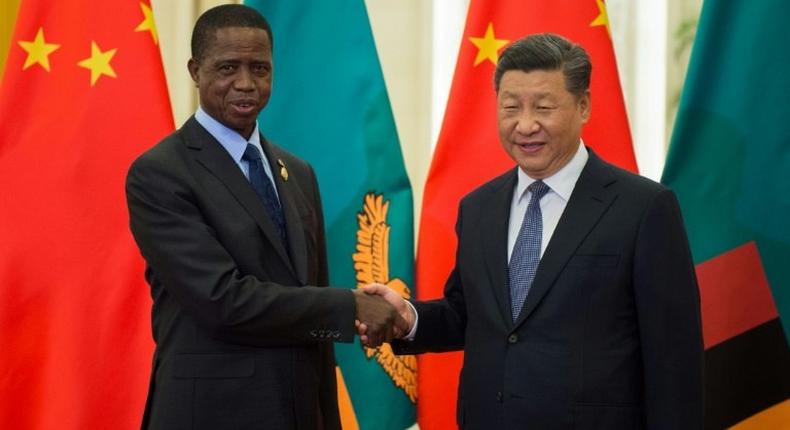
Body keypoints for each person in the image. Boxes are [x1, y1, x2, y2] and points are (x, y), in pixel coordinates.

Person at [364, 33, 703, 429]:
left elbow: (674, 360)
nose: (525, 125)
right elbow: (471, 315)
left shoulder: (643, 208)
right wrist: (409, 317)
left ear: (584, 106)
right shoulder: (478, 208)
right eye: (510, 107)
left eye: (543, 107)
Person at [125, 5, 403, 429]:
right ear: (195, 70)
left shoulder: (298, 172)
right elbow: (223, 301)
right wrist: (349, 307)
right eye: (227, 68)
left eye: (259, 68)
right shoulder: (161, 173)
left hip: (296, 410)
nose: (245, 84)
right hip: (211, 414)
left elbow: (310, 294)